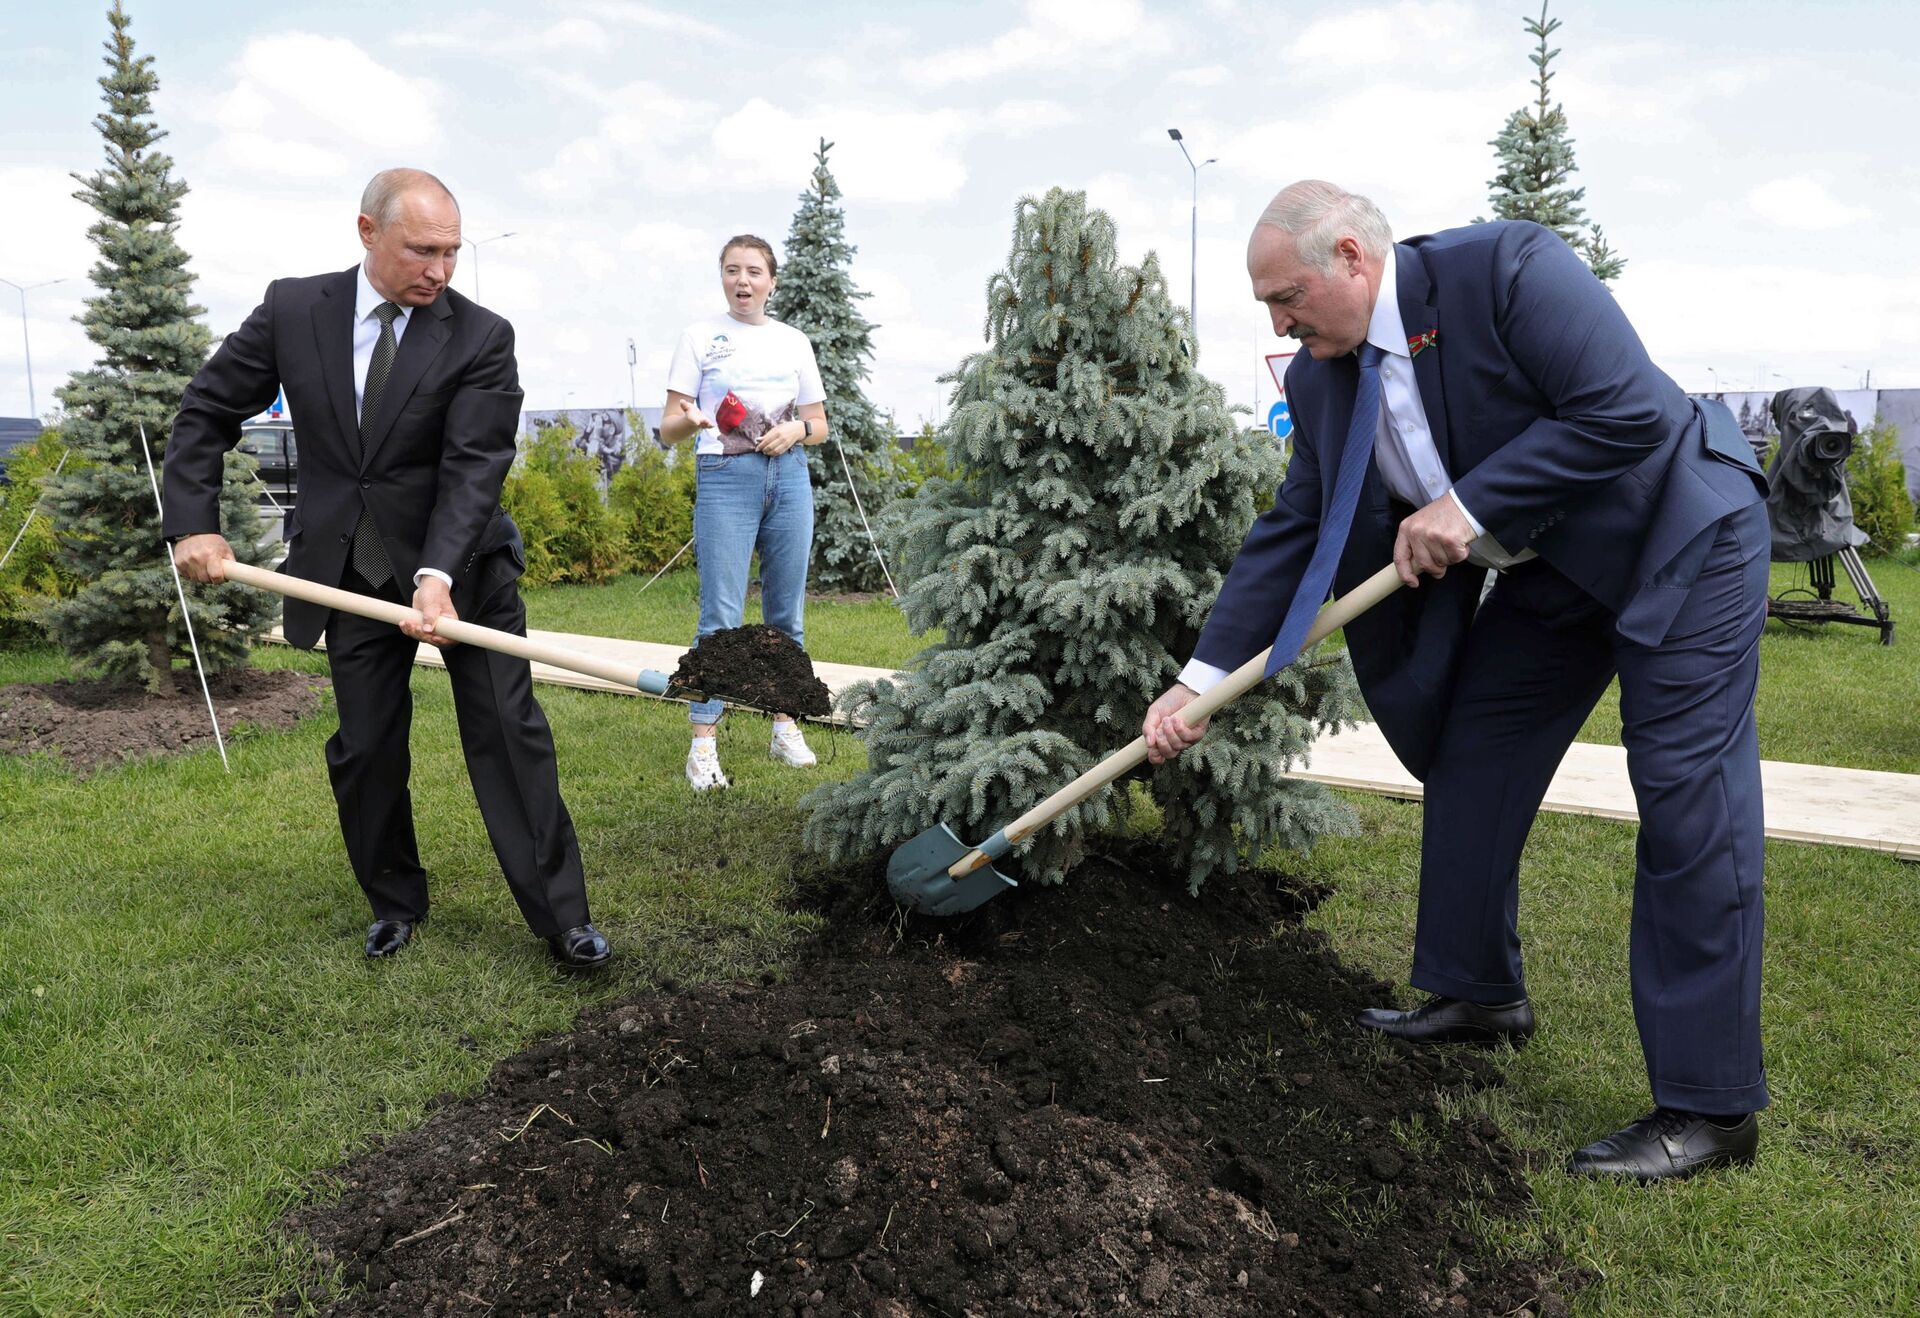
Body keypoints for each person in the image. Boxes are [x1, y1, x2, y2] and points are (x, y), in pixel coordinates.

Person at [1143, 181, 1770, 1182]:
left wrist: (1466, 503)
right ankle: (1477, 995)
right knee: (1478, 750)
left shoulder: (1509, 270)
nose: (1278, 321)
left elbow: (1627, 410)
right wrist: (1199, 678)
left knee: (1689, 797)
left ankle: (1711, 1105)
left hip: (1679, 535)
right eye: (1265, 306)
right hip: (1555, 572)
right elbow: (1294, 529)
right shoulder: (1320, 380)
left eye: (1286, 296)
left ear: (1352, 256)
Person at [165, 168, 610, 969]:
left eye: (452, 252)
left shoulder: (481, 336)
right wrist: (193, 523)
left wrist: (437, 573)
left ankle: (561, 917)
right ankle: (394, 902)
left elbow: (475, 466)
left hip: (464, 566)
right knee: (367, 746)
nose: (440, 271)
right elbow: (205, 410)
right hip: (348, 571)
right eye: (422, 250)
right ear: (367, 233)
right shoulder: (295, 309)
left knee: (508, 733)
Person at [660, 235, 830, 791]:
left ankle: (785, 725)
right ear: (722, 277)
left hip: (790, 480)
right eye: (732, 270)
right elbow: (669, 426)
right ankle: (703, 746)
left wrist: (797, 430)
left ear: (771, 281)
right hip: (725, 479)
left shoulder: (794, 341)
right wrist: (693, 420)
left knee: (788, 616)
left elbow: (819, 425)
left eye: (754, 271)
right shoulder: (699, 337)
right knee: (721, 618)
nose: (743, 281)